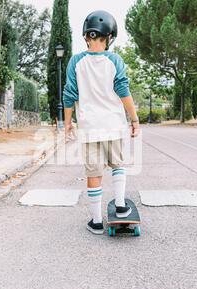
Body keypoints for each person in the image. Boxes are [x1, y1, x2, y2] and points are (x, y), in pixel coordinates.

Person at [63, 10, 140, 235]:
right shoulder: (115, 60)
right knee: (118, 165)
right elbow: (123, 91)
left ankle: (96, 222)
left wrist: (68, 124)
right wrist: (134, 119)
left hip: (89, 129)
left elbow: (69, 95)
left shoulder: (75, 62)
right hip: (114, 126)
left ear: (86, 36)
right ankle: (120, 205)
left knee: (94, 174)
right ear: (110, 36)